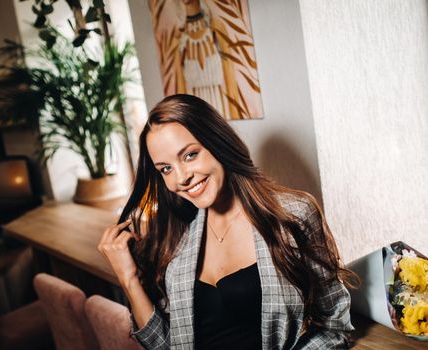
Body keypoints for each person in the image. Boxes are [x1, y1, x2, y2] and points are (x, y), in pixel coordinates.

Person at [98, 94, 357, 349]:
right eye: (166, 168)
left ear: (217, 141)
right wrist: (128, 278)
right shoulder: (176, 238)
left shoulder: (292, 216)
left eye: (189, 155)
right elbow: (167, 346)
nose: (181, 178)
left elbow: (334, 327)